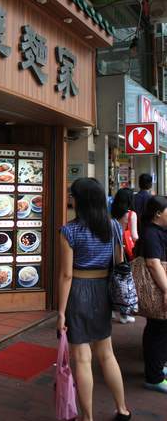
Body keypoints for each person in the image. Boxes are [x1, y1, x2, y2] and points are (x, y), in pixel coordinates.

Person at [58, 178, 131, 421]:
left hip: (78, 291)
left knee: (82, 357)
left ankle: (87, 418)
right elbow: (119, 263)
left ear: (81, 201)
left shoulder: (69, 231)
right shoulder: (114, 227)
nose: (71, 199)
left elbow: (67, 275)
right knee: (107, 353)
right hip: (103, 291)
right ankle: (122, 409)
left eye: (73, 195)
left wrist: (60, 312)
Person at [138, 195, 167, 393]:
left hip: (162, 284)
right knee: (158, 329)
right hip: (158, 287)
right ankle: (154, 377)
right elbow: (153, 263)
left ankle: (158, 367)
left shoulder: (158, 230)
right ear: (158, 213)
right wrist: (166, 290)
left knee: (160, 329)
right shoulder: (150, 232)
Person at [111, 188, 138, 323]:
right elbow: (134, 235)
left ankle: (112, 311)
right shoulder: (131, 214)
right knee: (125, 282)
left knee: (113, 280)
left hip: (112, 248)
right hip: (125, 251)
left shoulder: (112, 213)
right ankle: (124, 314)